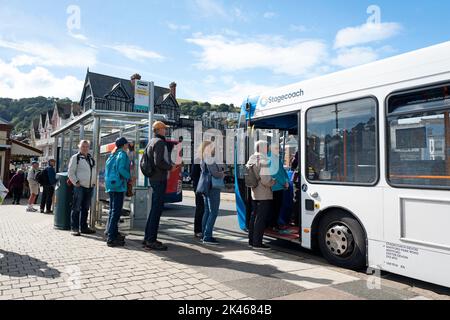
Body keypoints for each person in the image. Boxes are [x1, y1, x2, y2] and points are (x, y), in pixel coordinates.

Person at [143, 121, 179, 251]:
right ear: (159, 130)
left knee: (154, 210)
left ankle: (148, 238)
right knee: (156, 210)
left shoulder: (151, 141)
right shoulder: (159, 142)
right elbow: (159, 161)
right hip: (159, 179)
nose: (166, 131)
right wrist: (171, 167)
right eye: (164, 129)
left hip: (154, 178)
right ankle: (151, 240)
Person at [246, 141, 276, 250]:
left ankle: (251, 241)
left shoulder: (251, 159)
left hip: (254, 193)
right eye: (267, 147)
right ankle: (258, 243)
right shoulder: (263, 161)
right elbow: (265, 180)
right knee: (260, 219)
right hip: (263, 194)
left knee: (254, 217)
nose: (268, 149)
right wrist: (273, 181)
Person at [105, 137, 131, 247]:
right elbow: (121, 169)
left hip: (111, 185)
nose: (128, 145)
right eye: (127, 143)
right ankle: (111, 238)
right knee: (116, 212)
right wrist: (129, 177)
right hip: (119, 186)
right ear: (124, 145)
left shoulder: (112, 155)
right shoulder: (123, 155)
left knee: (112, 210)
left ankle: (113, 233)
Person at [198, 141, 225, 245]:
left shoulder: (203, 158)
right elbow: (215, 173)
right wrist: (222, 174)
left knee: (207, 212)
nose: (214, 148)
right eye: (212, 147)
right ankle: (207, 236)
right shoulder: (209, 158)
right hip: (213, 187)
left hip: (206, 187)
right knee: (213, 212)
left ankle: (205, 234)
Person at [68, 140, 97, 237]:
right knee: (76, 207)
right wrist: (76, 182)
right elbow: (70, 172)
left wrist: (93, 183)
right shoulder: (75, 158)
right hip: (79, 187)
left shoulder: (91, 158)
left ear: (89, 148)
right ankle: (74, 228)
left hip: (89, 187)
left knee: (85, 208)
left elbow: (93, 172)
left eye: (87, 146)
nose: (85, 148)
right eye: (83, 146)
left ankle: (84, 227)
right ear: (79, 147)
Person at [268, 144, 290, 230]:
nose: (280, 150)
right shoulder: (274, 159)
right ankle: (274, 225)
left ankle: (272, 224)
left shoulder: (269, 157)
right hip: (277, 186)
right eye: (278, 149)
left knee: (272, 207)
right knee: (276, 207)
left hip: (272, 187)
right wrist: (285, 182)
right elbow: (277, 173)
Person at [191, 157, 205, 239]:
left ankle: (202, 229)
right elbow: (193, 174)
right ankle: (198, 230)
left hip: (202, 186)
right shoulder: (198, 159)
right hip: (199, 187)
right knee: (200, 208)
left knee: (203, 209)